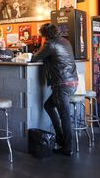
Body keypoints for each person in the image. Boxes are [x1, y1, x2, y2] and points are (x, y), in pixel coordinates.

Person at [31, 23, 78, 157]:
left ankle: (67, 147)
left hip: (61, 84)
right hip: (72, 82)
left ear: (46, 34)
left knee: (64, 116)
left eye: (43, 35)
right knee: (49, 105)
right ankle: (60, 138)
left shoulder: (50, 44)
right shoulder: (65, 41)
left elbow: (35, 58)